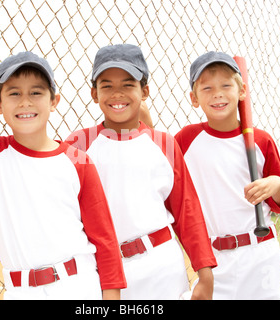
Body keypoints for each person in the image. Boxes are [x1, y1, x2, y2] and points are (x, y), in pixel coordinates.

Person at [0, 51, 126, 300]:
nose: (25, 101)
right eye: (14, 93)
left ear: (53, 101)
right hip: (20, 291)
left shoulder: (77, 160)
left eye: (36, 92)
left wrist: (111, 298)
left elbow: (104, 237)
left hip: (77, 285)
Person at [65, 44, 217, 300]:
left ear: (144, 91)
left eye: (128, 84)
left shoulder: (164, 143)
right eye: (107, 86)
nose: (117, 94)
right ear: (94, 93)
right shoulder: (79, 145)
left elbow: (186, 210)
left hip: (161, 266)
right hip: (106, 271)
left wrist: (205, 272)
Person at [175, 51, 280, 299]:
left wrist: (276, 183)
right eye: (207, 88)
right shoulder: (186, 140)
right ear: (194, 99)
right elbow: (161, 167)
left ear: (241, 92)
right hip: (215, 260)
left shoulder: (260, 140)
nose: (217, 93)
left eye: (226, 85)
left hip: (261, 254)